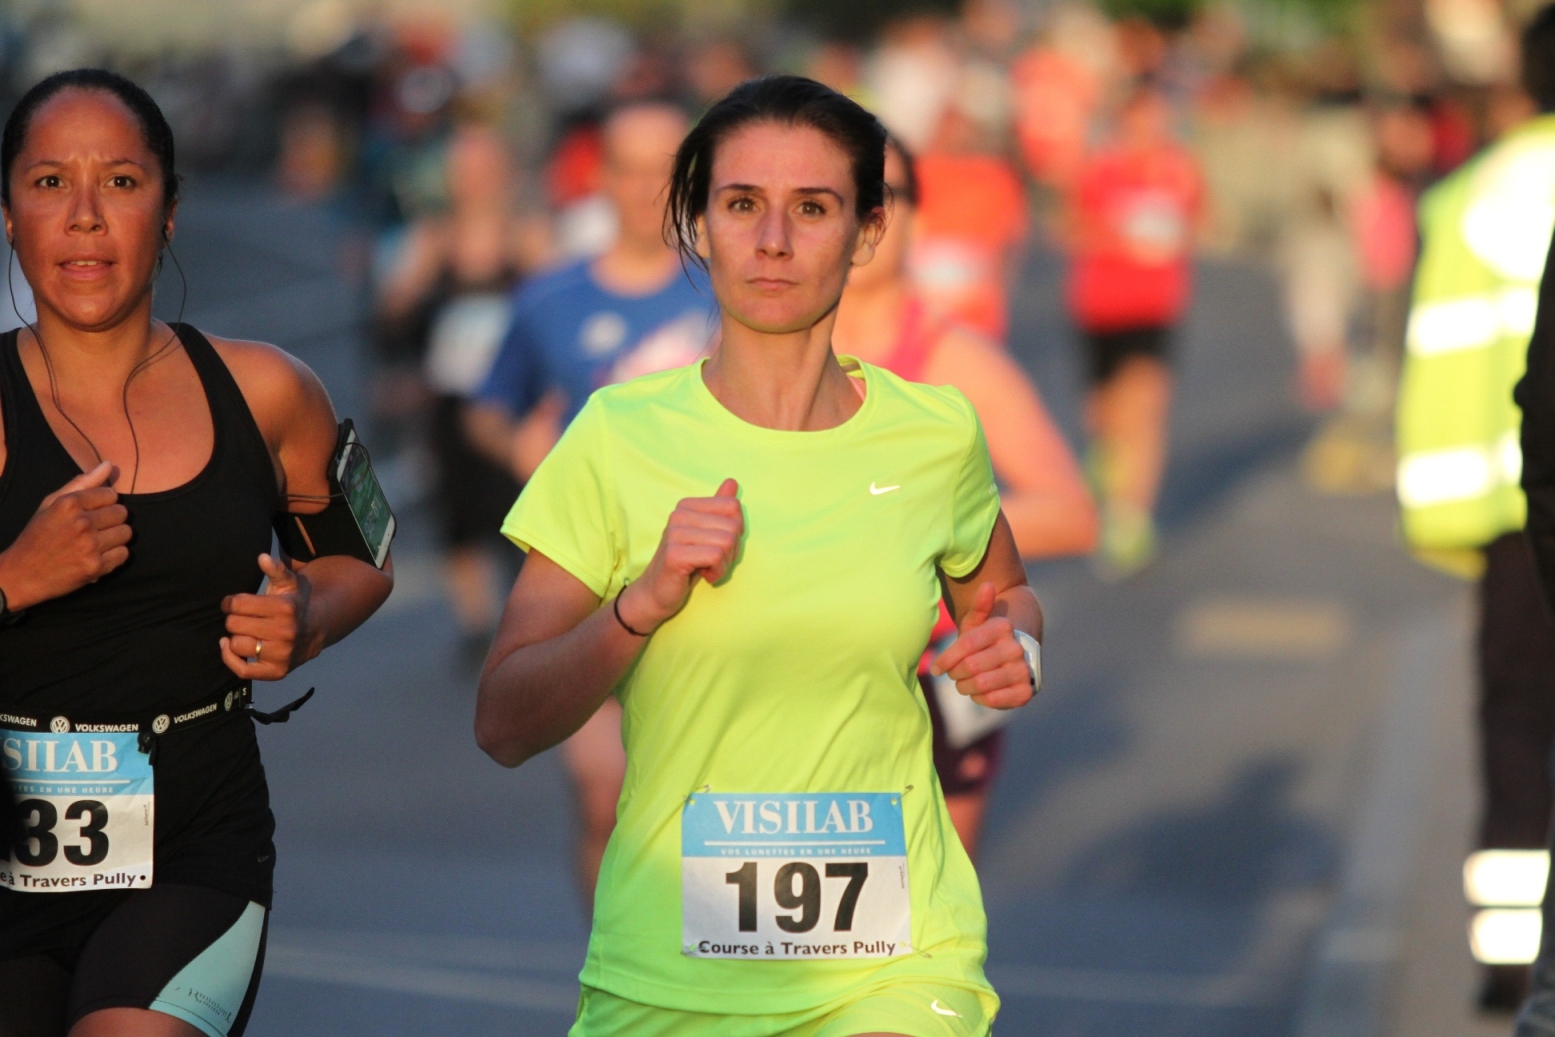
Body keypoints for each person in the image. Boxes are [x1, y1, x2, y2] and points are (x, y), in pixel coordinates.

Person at [475, 75, 1040, 1036]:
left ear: (866, 231)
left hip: (897, 966)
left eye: (812, 208)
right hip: (669, 977)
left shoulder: (934, 433)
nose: (773, 240)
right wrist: (638, 605)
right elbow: (503, 722)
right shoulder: (616, 435)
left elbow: (1006, 598)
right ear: (698, 226)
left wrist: (1016, 647)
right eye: (741, 205)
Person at [0, 70, 392, 1037]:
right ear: (8, 216)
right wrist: (14, 577)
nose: (85, 216)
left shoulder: (269, 391)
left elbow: (365, 556)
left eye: (120, 182)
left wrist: (309, 614)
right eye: (49, 183)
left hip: (195, 845)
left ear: (169, 211)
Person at [464, 99, 712, 912]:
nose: (648, 189)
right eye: (630, 170)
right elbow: (488, 405)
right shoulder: (550, 296)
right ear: (600, 178)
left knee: (708, 809)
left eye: (666, 171)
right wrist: (518, 447)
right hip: (597, 575)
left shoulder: (733, 288)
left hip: (716, 569)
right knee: (605, 797)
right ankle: (614, 963)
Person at [833, 137, 1095, 857]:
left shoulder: (955, 360)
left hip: (932, 678)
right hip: (794, 678)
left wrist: (915, 526)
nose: (866, 215)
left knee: (929, 906)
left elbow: (1071, 514)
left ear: (917, 215)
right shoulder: (751, 357)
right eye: (837, 197)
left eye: (885, 194)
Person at [1395, 5, 1555, 1013]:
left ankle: (1508, 954)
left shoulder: (1471, 195)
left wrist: (1442, 509)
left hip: (1509, 512)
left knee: (1515, 719)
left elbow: (1441, 362)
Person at [374, 122, 539, 661]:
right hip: (449, 400)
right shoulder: (431, 238)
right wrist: (408, 286)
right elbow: (390, 321)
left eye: (485, 169)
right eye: (463, 171)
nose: (475, 181)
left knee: (527, 507)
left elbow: (560, 311)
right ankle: (476, 624)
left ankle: (533, 615)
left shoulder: (531, 236)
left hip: (517, 401)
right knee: (458, 511)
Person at [1064, 79, 1204, 578]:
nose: (1151, 126)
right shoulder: (1101, 169)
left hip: (1154, 307)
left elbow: (1198, 224)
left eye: (1159, 116)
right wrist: (1124, 238)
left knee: (1144, 409)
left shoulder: (1182, 171)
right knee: (1105, 414)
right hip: (1102, 306)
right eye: (1142, 116)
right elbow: (1073, 226)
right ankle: (1106, 466)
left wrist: (1171, 240)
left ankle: (1129, 519)